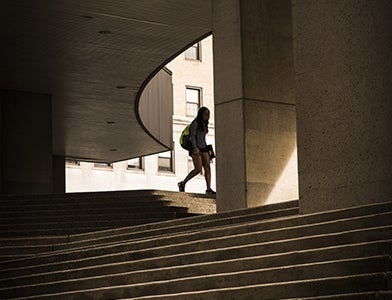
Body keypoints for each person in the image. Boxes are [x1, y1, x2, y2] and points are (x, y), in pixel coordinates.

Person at [178, 107, 216, 195]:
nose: (207, 116)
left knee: (207, 168)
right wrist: (195, 148)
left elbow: (203, 137)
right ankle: (182, 183)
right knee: (198, 169)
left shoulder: (205, 123)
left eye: (208, 115)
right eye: (206, 114)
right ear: (201, 114)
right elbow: (192, 136)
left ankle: (208, 188)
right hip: (196, 148)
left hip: (204, 147)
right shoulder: (195, 123)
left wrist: (209, 152)